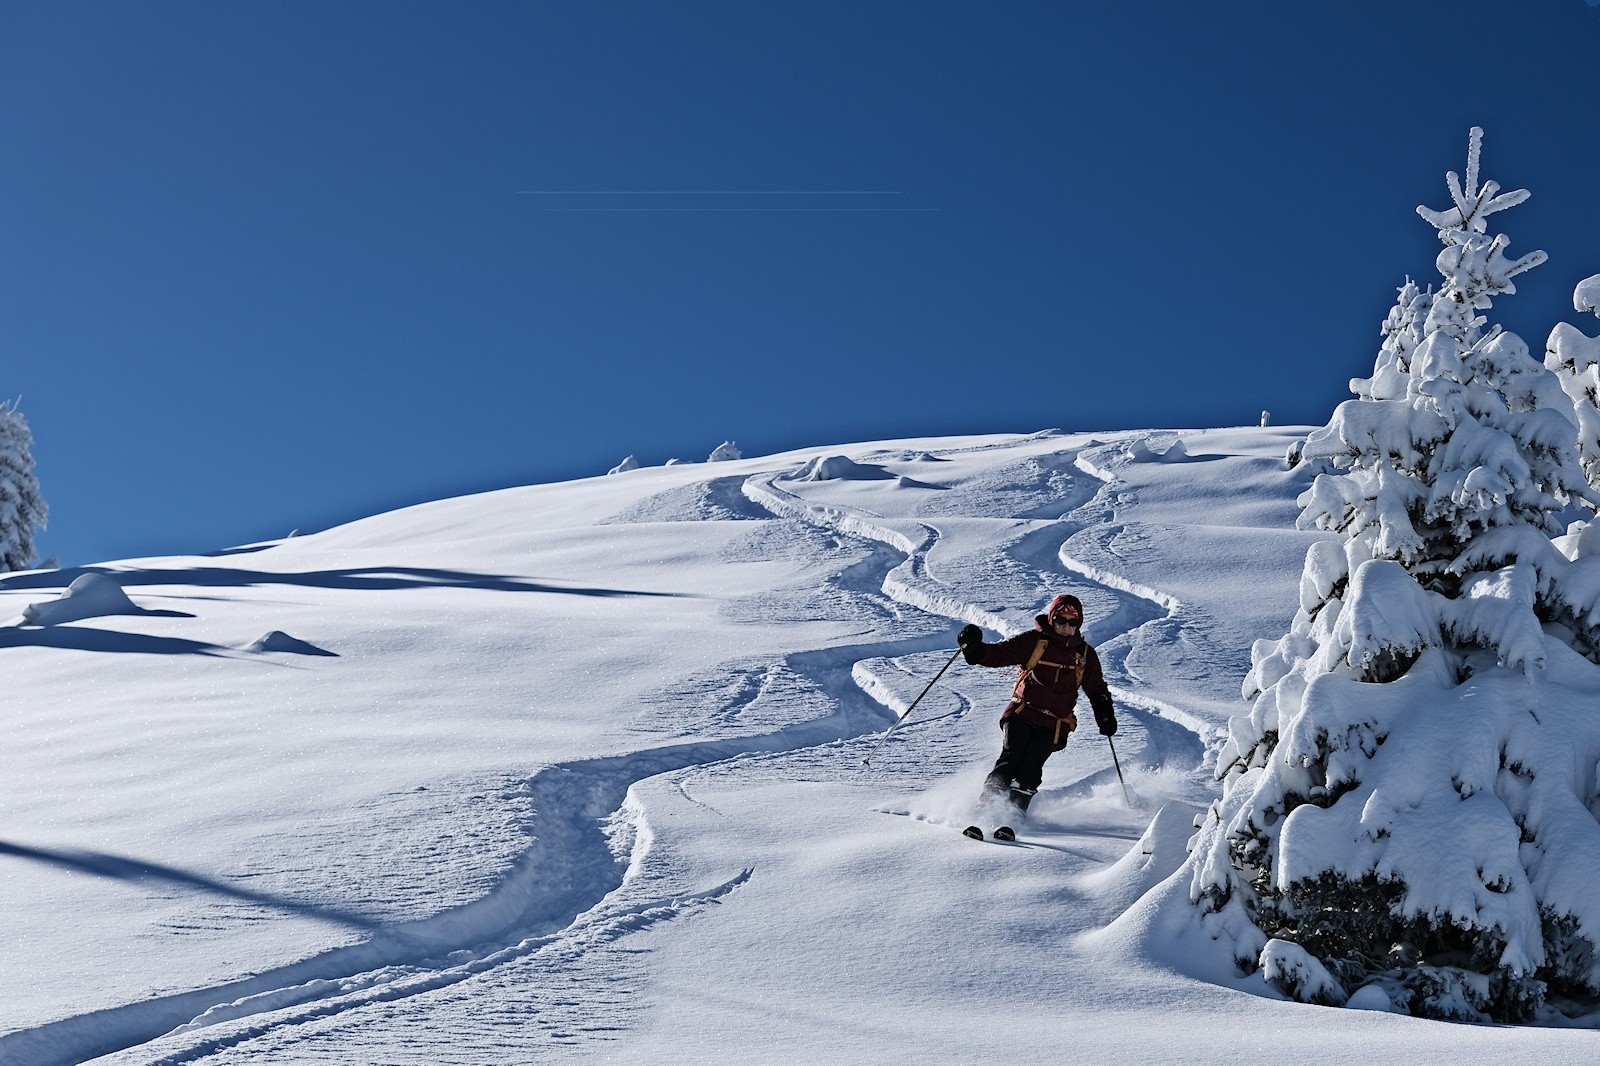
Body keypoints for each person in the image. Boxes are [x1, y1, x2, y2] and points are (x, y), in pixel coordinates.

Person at [958, 593, 1116, 820]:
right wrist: (975, 650)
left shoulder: (1085, 656)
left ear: (1078, 624)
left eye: (1072, 622)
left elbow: (1096, 688)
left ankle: (1014, 813)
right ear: (1052, 619)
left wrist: (1105, 713)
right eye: (1061, 620)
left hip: (1055, 723)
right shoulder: (1035, 641)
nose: (1065, 627)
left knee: (1032, 764)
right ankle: (987, 806)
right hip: (1023, 712)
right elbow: (999, 654)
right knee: (1012, 756)